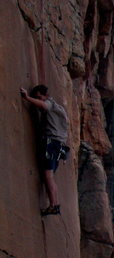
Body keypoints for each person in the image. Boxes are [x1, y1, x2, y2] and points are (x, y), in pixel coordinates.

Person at [20, 84, 69, 216]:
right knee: (50, 176)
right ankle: (55, 204)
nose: (39, 100)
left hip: (51, 142)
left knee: (48, 176)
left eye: (39, 97)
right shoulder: (61, 110)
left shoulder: (50, 104)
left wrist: (27, 97)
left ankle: (54, 205)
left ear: (45, 95)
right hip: (59, 146)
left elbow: (44, 106)